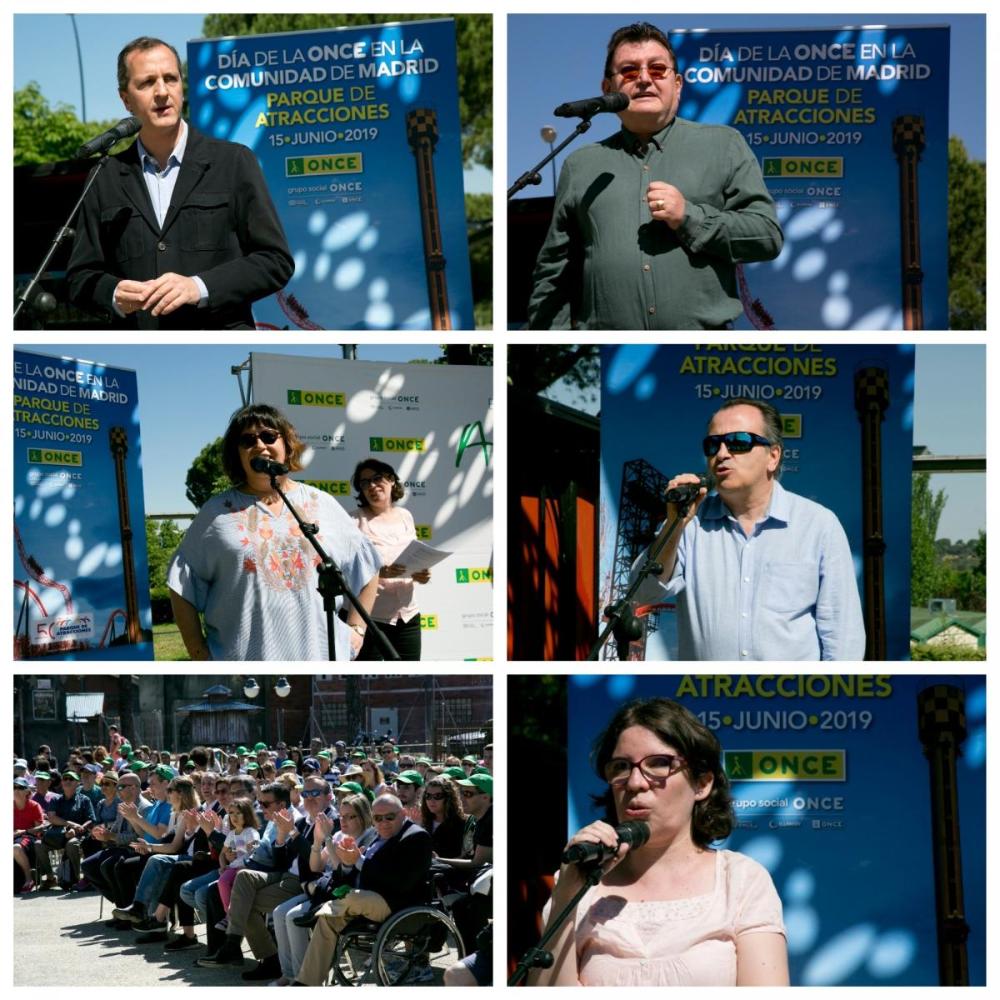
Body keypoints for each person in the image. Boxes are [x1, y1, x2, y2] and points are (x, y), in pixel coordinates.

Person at [527, 22, 783, 331]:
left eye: (658, 69)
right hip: (605, 350)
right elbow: (553, 272)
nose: (645, 79)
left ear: (678, 84)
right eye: (629, 71)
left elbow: (766, 236)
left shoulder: (724, 144)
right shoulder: (580, 165)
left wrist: (689, 217)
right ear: (608, 89)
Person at [531, 697, 788, 986]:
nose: (635, 783)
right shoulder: (577, 883)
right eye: (621, 766)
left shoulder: (741, 881)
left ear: (702, 783)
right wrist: (567, 894)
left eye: (659, 764)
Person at [66, 36, 294, 330]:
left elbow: (275, 261)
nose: (162, 92)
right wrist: (113, 293)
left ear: (182, 87)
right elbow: (80, 277)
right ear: (126, 99)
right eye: (147, 83)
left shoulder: (234, 161)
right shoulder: (104, 177)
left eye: (170, 79)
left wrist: (198, 287)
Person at [630, 398, 865, 660]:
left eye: (738, 442)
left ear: (773, 456)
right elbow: (643, 592)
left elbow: (844, 638)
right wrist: (675, 525)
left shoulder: (818, 525)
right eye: (712, 444)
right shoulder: (690, 523)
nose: (722, 454)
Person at [167, 404, 381, 660]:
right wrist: (198, 652)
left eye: (269, 436)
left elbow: (367, 565)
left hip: (319, 659)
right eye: (248, 440)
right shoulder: (216, 513)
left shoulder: (322, 503)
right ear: (237, 454)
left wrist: (357, 630)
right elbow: (181, 582)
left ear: (287, 444)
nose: (260, 445)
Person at [293, 793, 433, 986]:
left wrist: (359, 861)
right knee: (328, 920)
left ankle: (317, 911)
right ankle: (306, 983)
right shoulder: (375, 835)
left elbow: (399, 882)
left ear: (402, 814)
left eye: (389, 817)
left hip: (396, 903)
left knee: (353, 897)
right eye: (378, 818)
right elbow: (350, 875)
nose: (383, 822)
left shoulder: (416, 836)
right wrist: (348, 864)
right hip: (364, 900)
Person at [349, 458, 431, 660]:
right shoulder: (353, 521)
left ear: (392, 480)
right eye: (365, 483)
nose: (372, 486)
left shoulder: (405, 515)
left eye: (377, 478)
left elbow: (412, 556)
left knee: (410, 674)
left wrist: (420, 573)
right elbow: (346, 571)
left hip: (408, 616)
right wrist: (379, 573)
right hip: (371, 619)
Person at [420, 775, 466, 858]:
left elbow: (464, 856)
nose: (432, 800)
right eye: (428, 796)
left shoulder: (461, 823)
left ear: (448, 798)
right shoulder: (423, 820)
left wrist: (439, 860)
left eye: (437, 796)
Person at [14, 778, 46, 893]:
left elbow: (39, 829)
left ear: (27, 791)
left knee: (16, 848)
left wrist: (23, 831)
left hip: (29, 838)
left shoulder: (34, 806)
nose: (16, 790)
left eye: (20, 787)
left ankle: (29, 880)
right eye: (14, 787)